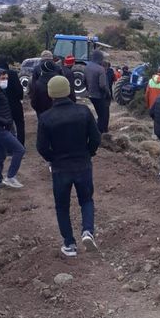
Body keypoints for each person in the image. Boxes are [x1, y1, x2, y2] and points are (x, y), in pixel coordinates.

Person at [36, 75, 101, 258]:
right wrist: (89, 153)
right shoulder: (83, 111)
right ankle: (87, 231)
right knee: (86, 200)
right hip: (83, 164)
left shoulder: (46, 117)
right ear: (69, 90)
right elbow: (96, 138)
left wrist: (52, 159)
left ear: (51, 94)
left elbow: (41, 147)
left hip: (60, 168)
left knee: (62, 206)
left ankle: (69, 244)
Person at [0, 68, 26, 189]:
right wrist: (5, 122)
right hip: (0, 129)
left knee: (0, 155)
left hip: (1, 128)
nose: (5, 81)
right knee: (19, 150)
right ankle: (10, 177)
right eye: (3, 78)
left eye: (6, 78)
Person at [0, 56, 25, 145]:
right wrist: (20, 99)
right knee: (19, 124)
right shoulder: (13, 74)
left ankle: (6, 145)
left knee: (3, 126)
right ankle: (20, 144)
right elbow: (19, 90)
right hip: (14, 104)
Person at [85, 49, 111, 134]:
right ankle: (101, 133)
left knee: (99, 114)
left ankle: (99, 131)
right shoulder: (101, 69)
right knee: (103, 115)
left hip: (91, 94)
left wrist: (88, 90)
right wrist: (108, 93)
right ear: (100, 58)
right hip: (99, 95)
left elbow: (83, 81)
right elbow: (102, 85)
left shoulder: (87, 67)